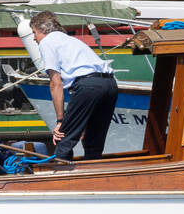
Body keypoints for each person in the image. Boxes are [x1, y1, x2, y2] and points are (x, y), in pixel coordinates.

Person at [29, 11, 119, 159]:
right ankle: (93, 173)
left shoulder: (47, 42)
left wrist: (60, 121)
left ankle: (61, 177)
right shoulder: (71, 40)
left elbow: (55, 83)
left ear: (43, 30)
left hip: (88, 85)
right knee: (94, 140)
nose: (34, 38)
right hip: (110, 84)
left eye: (34, 33)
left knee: (63, 138)